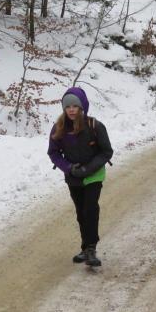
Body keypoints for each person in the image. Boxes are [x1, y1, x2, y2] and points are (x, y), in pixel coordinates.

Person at [48, 87, 113, 267]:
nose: (71, 109)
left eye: (75, 106)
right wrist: (69, 168)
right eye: (67, 106)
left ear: (82, 107)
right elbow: (53, 153)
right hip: (73, 177)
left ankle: (91, 248)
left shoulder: (94, 126)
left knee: (90, 209)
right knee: (80, 212)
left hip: (94, 175)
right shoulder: (59, 128)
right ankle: (85, 248)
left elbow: (107, 151)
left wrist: (88, 169)